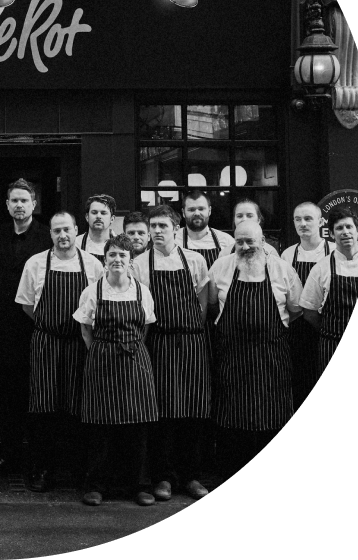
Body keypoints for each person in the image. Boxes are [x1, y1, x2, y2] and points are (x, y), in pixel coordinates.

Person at [207, 221, 301, 480]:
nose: (245, 246)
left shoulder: (282, 269)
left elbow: (296, 310)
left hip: (272, 358)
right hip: (232, 359)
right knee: (232, 422)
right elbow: (213, 305)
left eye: (251, 241)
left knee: (274, 419)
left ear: (263, 241)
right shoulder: (221, 267)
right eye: (240, 241)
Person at [16, 211, 103, 491]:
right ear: (50, 234)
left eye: (67, 229)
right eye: (57, 231)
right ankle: (43, 470)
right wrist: (50, 326)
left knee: (77, 408)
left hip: (80, 343)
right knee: (44, 409)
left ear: (76, 230)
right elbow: (27, 306)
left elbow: (99, 305)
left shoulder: (93, 264)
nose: (62, 235)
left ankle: (77, 471)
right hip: (46, 342)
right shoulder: (35, 263)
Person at [132, 205, 210, 501]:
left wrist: (191, 331)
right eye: (153, 226)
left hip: (192, 343)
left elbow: (203, 303)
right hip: (159, 343)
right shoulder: (140, 264)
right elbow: (141, 309)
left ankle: (190, 476)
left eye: (163, 226)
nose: (157, 231)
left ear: (176, 229)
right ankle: (163, 477)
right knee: (162, 414)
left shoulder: (195, 260)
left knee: (193, 412)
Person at [74, 234, 158, 507]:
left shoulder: (142, 291)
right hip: (102, 361)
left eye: (123, 255)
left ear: (131, 261)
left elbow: (145, 327)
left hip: (135, 361)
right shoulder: (92, 291)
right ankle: (96, 486)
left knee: (137, 426)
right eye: (112, 255)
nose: (117, 259)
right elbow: (85, 329)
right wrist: (103, 351)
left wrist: (129, 346)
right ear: (105, 259)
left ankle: (140, 486)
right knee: (101, 427)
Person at [0, 178, 53, 477]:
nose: (19, 205)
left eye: (24, 200)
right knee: (5, 395)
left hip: (34, 326)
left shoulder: (46, 236)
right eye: (14, 200)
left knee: (36, 395)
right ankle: (7, 456)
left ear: (34, 204)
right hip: (1, 327)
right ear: (7, 205)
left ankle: (37, 461)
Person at [295, 206, 358, 379]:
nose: (345, 232)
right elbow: (309, 312)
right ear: (331, 234)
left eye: (349, 227)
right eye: (339, 228)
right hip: (331, 345)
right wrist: (330, 332)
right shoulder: (321, 268)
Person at [281, 202, 335, 408]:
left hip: (327, 328)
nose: (302, 224)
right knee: (300, 383)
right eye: (298, 219)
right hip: (296, 329)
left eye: (308, 219)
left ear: (321, 222)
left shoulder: (333, 251)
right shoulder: (287, 255)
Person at [175, 190, 234, 269]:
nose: (197, 213)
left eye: (201, 209)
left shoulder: (226, 241)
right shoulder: (173, 240)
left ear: (209, 211)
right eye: (191, 210)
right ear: (183, 212)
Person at [77, 194, 116, 263]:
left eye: (103, 213)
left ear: (112, 219)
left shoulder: (121, 245)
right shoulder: (76, 244)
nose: (98, 216)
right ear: (87, 217)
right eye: (94, 213)